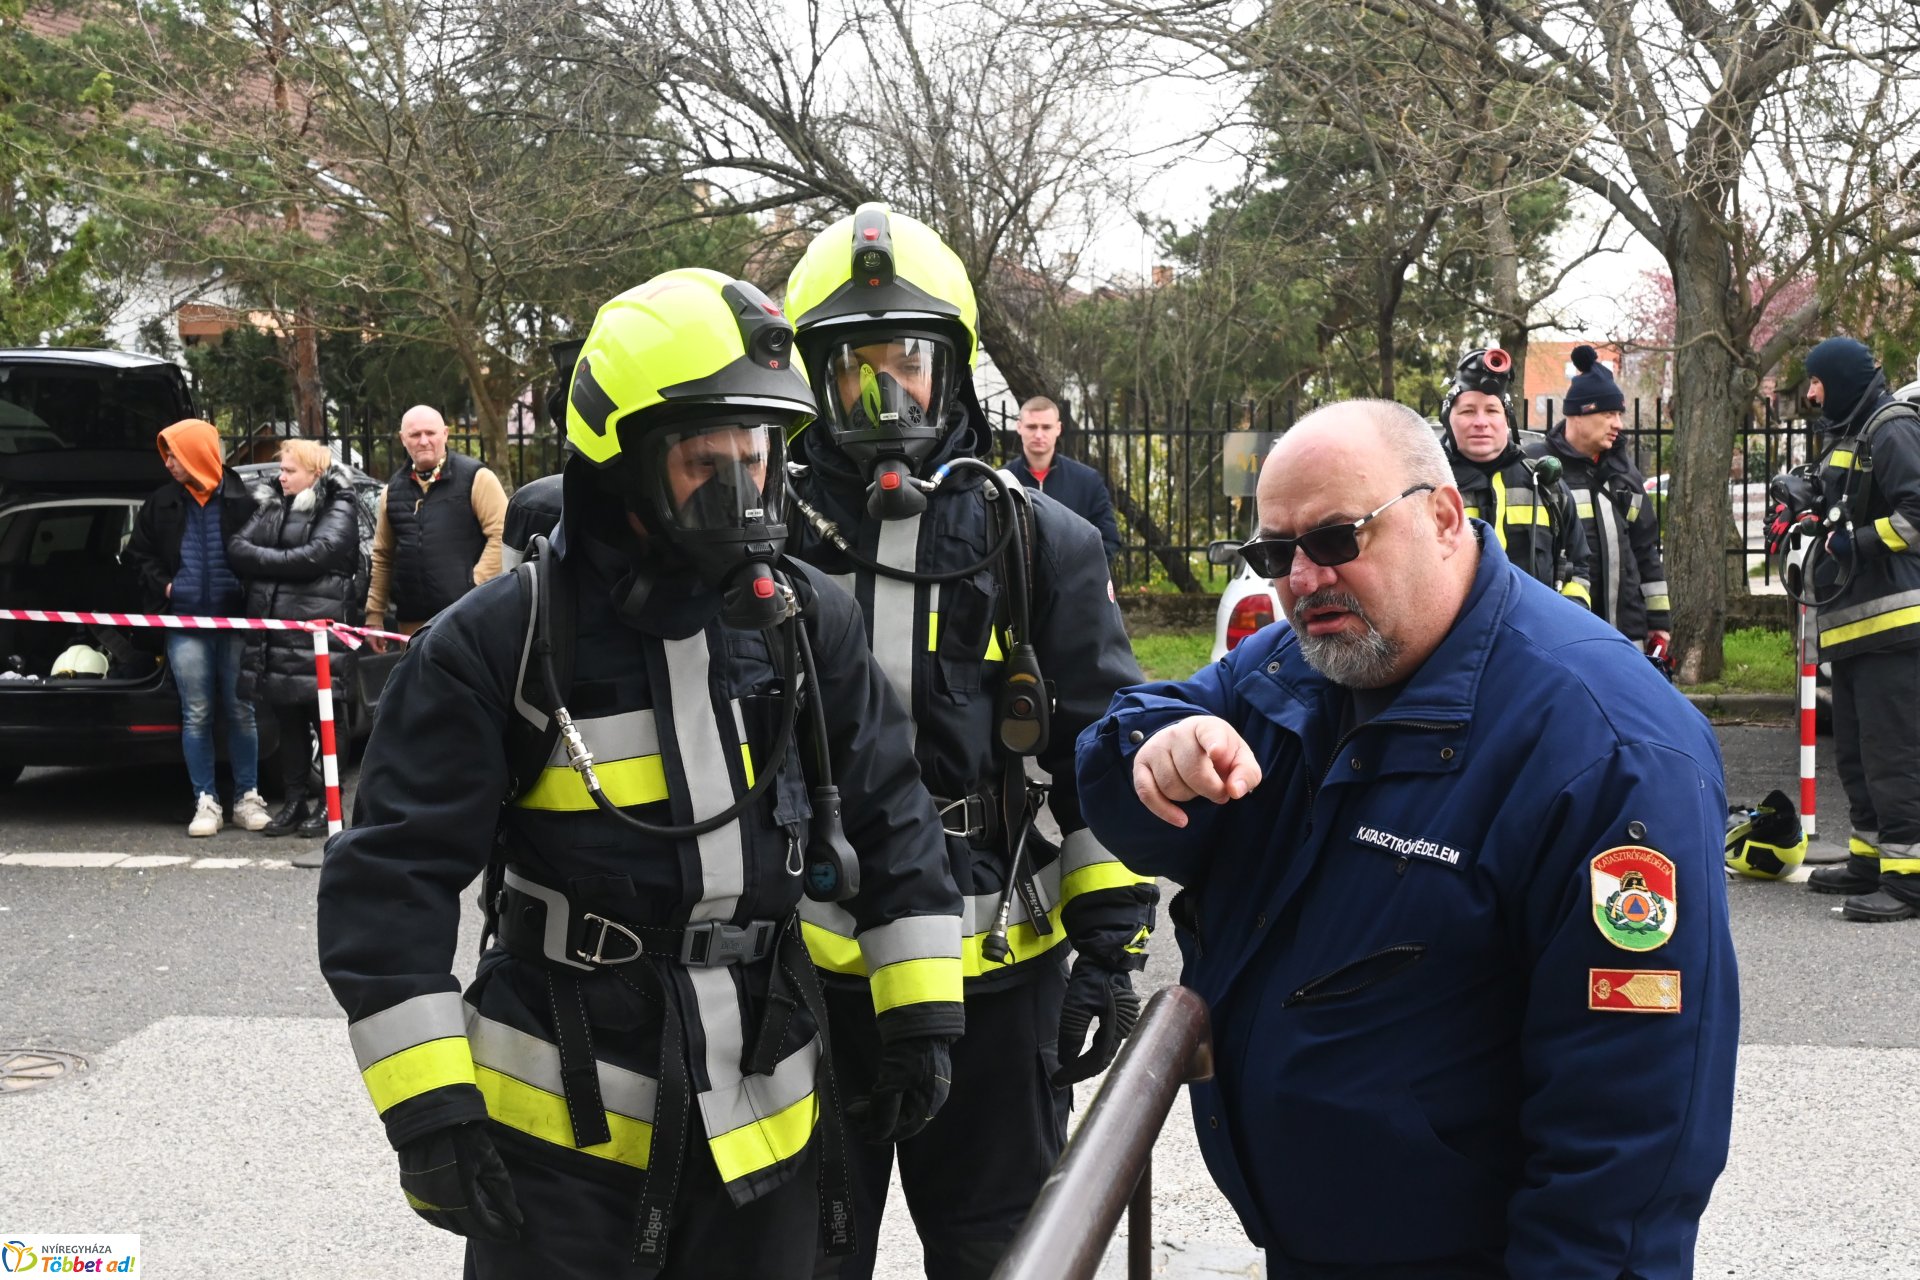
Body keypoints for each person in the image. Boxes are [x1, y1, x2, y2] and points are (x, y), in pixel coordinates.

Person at [317, 268, 964, 1279]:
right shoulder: (499, 643)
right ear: (619, 461)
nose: (743, 490)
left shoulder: (806, 618)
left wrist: (922, 1012)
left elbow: (894, 813)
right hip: (560, 1142)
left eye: (758, 455)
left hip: (767, 1117)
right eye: (707, 459)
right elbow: (388, 882)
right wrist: (430, 1109)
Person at [1076, 400, 1738, 1279]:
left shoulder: (1607, 748)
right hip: (1309, 1241)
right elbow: (1131, 749)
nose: (1304, 578)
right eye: (1276, 555)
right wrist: (1153, 750)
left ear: (1443, 515)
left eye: (1338, 538)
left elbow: (1629, 1133)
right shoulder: (1298, 667)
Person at [782, 203, 1158, 1280]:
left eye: (907, 365)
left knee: (1001, 1252)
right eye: (855, 370)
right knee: (805, 1250)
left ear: (953, 371)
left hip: (994, 973)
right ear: (812, 379)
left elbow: (1100, 750)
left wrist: (1112, 938)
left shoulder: (1036, 538)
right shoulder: (766, 540)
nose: (883, 396)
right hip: (812, 978)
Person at [1790, 336, 1920, 922]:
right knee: (1860, 758)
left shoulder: (1891, 427)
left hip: (1897, 626)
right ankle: (1871, 861)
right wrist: (1802, 500)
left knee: (1896, 757)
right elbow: (1837, 498)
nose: (1810, 392)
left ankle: (1910, 880)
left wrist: (1856, 542)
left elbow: (1917, 514)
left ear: (1838, 378)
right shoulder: (1851, 430)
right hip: (1857, 626)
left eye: (1815, 381)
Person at [125, 417, 271, 837]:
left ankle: (247, 798)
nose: (169, 462)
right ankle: (205, 801)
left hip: (236, 623)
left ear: (198, 453)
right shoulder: (162, 502)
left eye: (175, 453)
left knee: (241, 710)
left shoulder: (245, 500)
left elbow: (266, 553)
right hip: (185, 624)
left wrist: (248, 591)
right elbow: (139, 556)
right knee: (196, 713)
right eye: (166, 454)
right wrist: (167, 586)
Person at [227, 439, 361, 850]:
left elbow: (317, 556)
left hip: (316, 634)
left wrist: (268, 565)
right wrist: (284, 566)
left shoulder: (337, 506)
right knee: (288, 721)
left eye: (288, 470)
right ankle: (295, 801)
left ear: (314, 473)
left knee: (326, 720)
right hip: (276, 631)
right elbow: (236, 547)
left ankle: (329, 803)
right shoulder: (273, 504)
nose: (280, 476)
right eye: (281, 470)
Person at [1533, 345, 1670, 654]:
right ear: (1579, 414)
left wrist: (1659, 621)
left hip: (1627, 636)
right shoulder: (1539, 470)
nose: (1618, 424)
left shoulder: (1625, 474)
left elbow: (1645, 551)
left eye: (1619, 415)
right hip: (1563, 639)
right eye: (1609, 414)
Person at [1438, 347, 1592, 606]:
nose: (1481, 422)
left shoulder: (1546, 487)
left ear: (1507, 419)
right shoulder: (1427, 488)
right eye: (1467, 411)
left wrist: (1565, 616)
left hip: (1535, 637)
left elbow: (1578, 567)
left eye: (1491, 410)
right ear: (1448, 418)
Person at [362, 405, 506, 649]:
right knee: (417, 686)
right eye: (415, 435)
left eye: (431, 433)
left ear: (446, 434)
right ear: (402, 439)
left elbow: (502, 534)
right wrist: (374, 614)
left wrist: (473, 587)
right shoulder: (392, 491)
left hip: (466, 617)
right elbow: (383, 555)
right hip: (411, 623)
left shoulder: (477, 478)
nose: (424, 441)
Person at [1004, 396, 1121, 560]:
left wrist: (1080, 577)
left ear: (1058, 429)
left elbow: (1108, 540)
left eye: (1046, 427)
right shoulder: (1001, 481)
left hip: (1075, 583)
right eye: (1032, 427)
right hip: (1016, 584)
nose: (1039, 434)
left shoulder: (1087, 481)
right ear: (1019, 427)